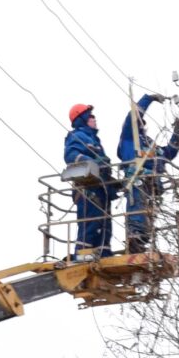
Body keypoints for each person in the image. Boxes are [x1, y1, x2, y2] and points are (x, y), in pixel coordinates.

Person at [117, 92, 179, 252]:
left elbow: (168, 154)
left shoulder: (150, 145)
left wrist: (178, 133)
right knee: (137, 211)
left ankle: (141, 239)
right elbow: (134, 116)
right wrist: (149, 99)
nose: (143, 125)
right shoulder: (129, 137)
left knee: (146, 216)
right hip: (138, 180)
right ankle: (135, 237)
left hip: (152, 186)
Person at [63, 103, 116, 257]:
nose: (94, 119)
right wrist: (94, 162)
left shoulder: (95, 140)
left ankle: (103, 251)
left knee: (105, 223)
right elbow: (71, 155)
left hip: (101, 187)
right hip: (88, 187)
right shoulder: (77, 136)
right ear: (83, 118)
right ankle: (82, 253)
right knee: (90, 222)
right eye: (91, 116)